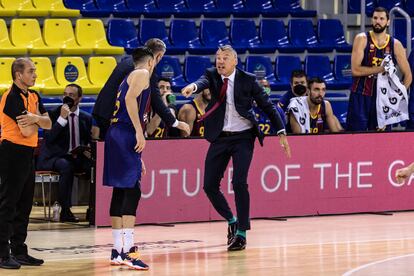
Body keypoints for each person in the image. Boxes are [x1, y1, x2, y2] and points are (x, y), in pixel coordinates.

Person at [181, 45, 291, 251]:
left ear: (235, 61)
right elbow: (202, 82)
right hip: (220, 137)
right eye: (218, 58)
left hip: (243, 137)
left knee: (239, 182)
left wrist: (281, 132)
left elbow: (267, 106)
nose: (220, 61)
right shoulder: (212, 75)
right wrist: (193, 88)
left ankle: (241, 232)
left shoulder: (247, 79)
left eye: (225, 58)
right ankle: (231, 220)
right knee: (209, 186)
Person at [103, 47, 189, 270]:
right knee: (132, 190)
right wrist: (139, 133)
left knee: (121, 190)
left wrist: (135, 155)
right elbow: (131, 101)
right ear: (151, 61)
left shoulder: (129, 76)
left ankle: (117, 250)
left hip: (116, 134)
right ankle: (129, 252)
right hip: (125, 132)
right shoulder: (141, 74)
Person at [0, 58, 52, 269]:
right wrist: (37, 118)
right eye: (31, 71)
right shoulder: (11, 97)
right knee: (8, 204)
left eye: (35, 71)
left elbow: (48, 125)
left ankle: (19, 250)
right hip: (11, 152)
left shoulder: (34, 95)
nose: (35, 75)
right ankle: (3, 254)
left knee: (25, 204)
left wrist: (35, 117)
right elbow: (28, 131)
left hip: (28, 152)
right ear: (18, 74)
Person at [93, 39, 187, 140]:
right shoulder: (145, 69)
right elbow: (155, 99)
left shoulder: (129, 61)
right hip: (116, 119)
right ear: (159, 56)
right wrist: (176, 123)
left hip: (103, 112)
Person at [346, 6, 412, 131]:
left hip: (383, 99)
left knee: (381, 139)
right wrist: (380, 69)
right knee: (354, 137)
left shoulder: (395, 44)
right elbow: (355, 70)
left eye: (382, 19)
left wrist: (397, 97)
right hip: (360, 95)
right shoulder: (362, 39)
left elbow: (408, 76)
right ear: (372, 20)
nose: (378, 21)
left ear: (388, 22)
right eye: (375, 18)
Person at [37, 84, 93, 222]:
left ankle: (93, 209)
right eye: (65, 94)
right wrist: (62, 119)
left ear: (79, 99)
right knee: (66, 166)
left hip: (76, 156)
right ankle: (65, 211)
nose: (67, 97)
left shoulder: (86, 118)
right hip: (54, 157)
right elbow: (49, 139)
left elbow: (87, 140)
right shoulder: (53, 114)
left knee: (94, 167)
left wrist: (87, 149)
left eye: (71, 95)